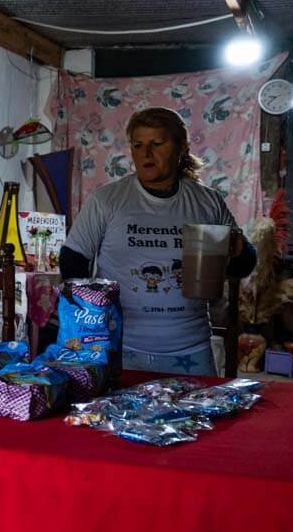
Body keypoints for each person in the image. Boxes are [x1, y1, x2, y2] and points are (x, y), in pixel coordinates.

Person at [60, 107, 256, 375]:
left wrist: (238, 249)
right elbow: (73, 259)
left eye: (156, 144)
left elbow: (241, 267)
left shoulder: (206, 201)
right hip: (119, 345)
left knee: (195, 416)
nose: (145, 153)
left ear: (181, 147)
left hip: (190, 348)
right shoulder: (107, 200)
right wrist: (90, 321)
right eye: (138, 145)